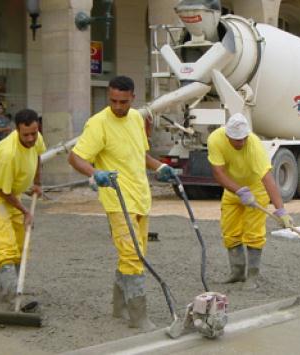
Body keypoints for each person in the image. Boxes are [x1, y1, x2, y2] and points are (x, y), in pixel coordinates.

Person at [67, 75, 175, 331]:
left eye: (123, 102)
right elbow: (75, 157)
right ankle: (138, 317)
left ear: (133, 98)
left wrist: (159, 167)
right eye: (113, 100)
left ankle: (119, 307)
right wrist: (95, 173)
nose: (117, 106)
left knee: (136, 253)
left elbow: (141, 154)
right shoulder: (98, 124)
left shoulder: (137, 118)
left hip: (140, 196)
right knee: (133, 255)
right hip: (116, 199)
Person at [207, 113, 293, 290]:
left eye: (244, 139)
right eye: (236, 140)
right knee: (230, 231)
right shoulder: (215, 139)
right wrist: (238, 190)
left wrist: (281, 210)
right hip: (233, 189)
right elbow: (218, 173)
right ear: (227, 135)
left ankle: (252, 276)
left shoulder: (254, 146)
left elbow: (267, 179)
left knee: (254, 233)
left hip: (256, 189)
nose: (241, 143)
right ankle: (237, 273)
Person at [0, 109, 45, 305]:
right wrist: (26, 212)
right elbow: (3, 192)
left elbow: (38, 155)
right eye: (26, 135)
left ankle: (5, 292)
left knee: (22, 245)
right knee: (6, 246)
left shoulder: (37, 138)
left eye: (34, 133)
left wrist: (36, 183)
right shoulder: (8, 153)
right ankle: (12, 299)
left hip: (11, 193)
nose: (31, 138)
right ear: (17, 130)